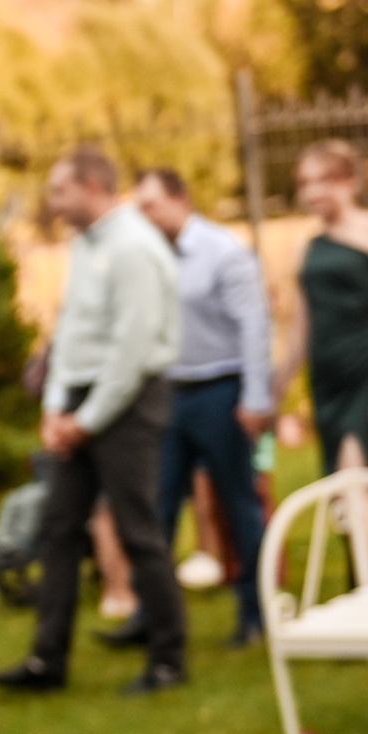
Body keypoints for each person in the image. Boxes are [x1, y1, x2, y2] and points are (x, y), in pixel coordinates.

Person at [0, 146, 186, 696]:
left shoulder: (135, 248)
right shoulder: (86, 245)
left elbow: (132, 347)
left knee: (138, 529)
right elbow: (69, 334)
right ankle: (47, 662)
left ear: (93, 188)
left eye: (60, 190)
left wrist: (88, 420)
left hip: (129, 401)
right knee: (59, 529)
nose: (52, 202)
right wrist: (54, 409)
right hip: (78, 401)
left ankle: (169, 657)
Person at [123, 166, 273, 649]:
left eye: (151, 205)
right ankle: (152, 615)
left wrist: (255, 398)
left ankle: (256, 612)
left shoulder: (223, 252)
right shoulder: (149, 256)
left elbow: (254, 325)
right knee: (158, 507)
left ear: (180, 199)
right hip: (170, 394)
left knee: (239, 505)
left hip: (220, 392)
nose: (142, 215)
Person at [275, 138, 368, 580]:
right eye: (304, 183)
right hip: (326, 378)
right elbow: (301, 326)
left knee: (358, 483)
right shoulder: (309, 245)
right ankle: (367, 584)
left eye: (322, 181)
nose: (311, 192)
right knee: (342, 492)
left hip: (365, 370)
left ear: (348, 182)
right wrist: (276, 388)